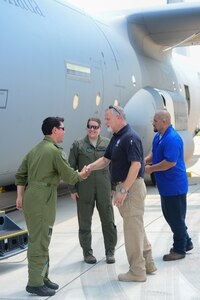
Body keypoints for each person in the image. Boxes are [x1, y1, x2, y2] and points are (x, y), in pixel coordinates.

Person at [15, 116, 89, 297]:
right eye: (62, 128)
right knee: (39, 241)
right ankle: (35, 283)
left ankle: (43, 277)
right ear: (54, 130)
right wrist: (83, 174)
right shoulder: (55, 152)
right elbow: (70, 176)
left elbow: (20, 174)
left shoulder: (35, 150)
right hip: (43, 197)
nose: (64, 131)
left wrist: (19, 196)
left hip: (33, 195)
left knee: (42, 238)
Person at [87, 106, 156, 282]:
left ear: (118, 117)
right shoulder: (117, 137)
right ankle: (148, 264)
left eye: (108, 118)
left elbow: (136, 165)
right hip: (126, 188)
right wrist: (89, 168)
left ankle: (137, 271)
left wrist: (123, 190)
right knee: (136, 227)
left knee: (132, 231)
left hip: (130, 189)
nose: (106, 121)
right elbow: (105, 159)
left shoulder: (130, 137)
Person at [145, 110, 193, 261]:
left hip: (175, 186)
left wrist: (150, 169)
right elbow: (153, 153)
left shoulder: (172, 139)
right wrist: (144, 160)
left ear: (164, 121)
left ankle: (179, 249)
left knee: (175, 218)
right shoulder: (159, 136)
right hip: (166, 186)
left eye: (155, 120)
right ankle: (187, 242)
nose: (152, 123)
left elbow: (170, 162)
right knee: (171, 216)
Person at [68, 118, 117, 264]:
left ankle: (110, 252)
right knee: (84, 222)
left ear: (100, 128)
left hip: (104, 188)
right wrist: (72, 188)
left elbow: (113, 166)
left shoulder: (107, 144)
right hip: (84, 189)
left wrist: (113, 186)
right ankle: (87, 253)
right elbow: (71, 167)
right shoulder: (78, 145)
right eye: (89, 126)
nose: (92, 129)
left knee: (108, 221)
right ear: (87, 128)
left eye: (95, 127)